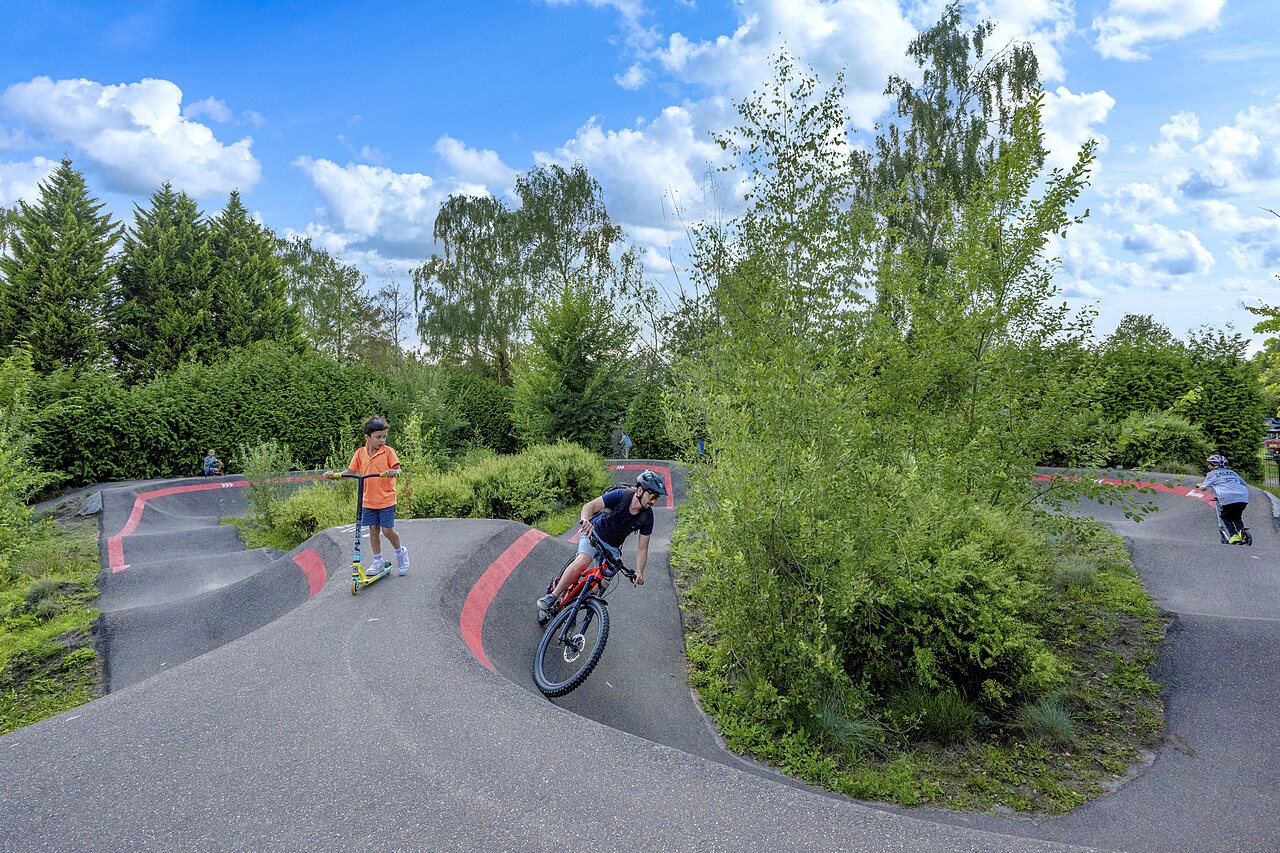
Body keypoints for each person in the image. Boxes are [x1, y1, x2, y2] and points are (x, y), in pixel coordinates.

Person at [537, 469, 667, 616]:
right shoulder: (621, 495)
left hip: (612, 548)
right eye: (652, 495)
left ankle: (574, 606)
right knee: (583, 561)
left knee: (602, 584)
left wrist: (639, 571)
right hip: (595, 533)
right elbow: (590, 506)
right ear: (639, 490)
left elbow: (642, 549)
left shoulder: (647, 517)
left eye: (657, 498)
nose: (653, 501)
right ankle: (553, 596)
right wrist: (585, 520)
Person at [325, 417, 410, 575]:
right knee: (373, 529)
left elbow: (399, 470)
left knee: (387, 531)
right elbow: (350, 473)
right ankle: (378, 561)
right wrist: (335, 475)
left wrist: (394, 472)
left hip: (386, 499)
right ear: (367, 437)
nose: (382, 440)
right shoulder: (360, 454)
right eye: (378, 437)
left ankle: (400, 553)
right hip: (368, 500)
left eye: (384, 436)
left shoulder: (388, 452)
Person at [1198, 454, 1249, 544]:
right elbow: (1244, 484)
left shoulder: (1211, 474)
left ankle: (1234, 536)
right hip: (1243, 497)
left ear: (1214, 465)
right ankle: (1242, 533)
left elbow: (1203, 488)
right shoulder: (1233, 472)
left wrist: (1199, 485)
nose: (1208, 466)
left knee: (1225, 516)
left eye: (1209, 464)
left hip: (1227, 497)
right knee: (1237, 517)